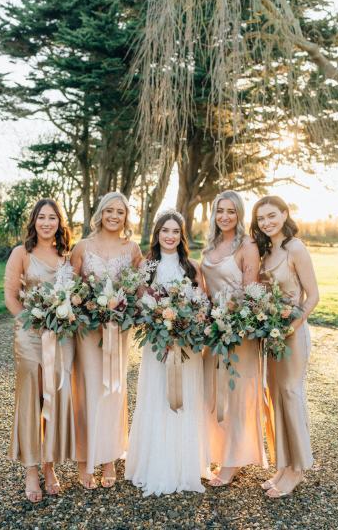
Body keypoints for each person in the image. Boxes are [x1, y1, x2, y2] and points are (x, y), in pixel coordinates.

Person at [125, 210, 212, 496]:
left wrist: (186, 320)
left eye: (176, 231)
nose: (170, 236)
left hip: (186, 347)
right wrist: (158, 318)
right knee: (157, 396)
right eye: (165, 230)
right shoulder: (147, 266)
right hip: (157, 345)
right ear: (157, 233)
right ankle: (156, 465)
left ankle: (184, 466)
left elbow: (204, 303)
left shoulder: (192, 267)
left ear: (181, 236)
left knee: (184, 398)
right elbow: (139, 304)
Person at [4, 198, 75, 502]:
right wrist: (31, 321)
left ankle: (49, 467)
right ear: (33, 221)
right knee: (31, 399)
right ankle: (31, 470)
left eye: (52, 218)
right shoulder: (21, 253)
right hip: (30, 338)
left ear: (60, 223)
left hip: (59, 338)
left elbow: (74, 295)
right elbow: (10, 295)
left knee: (54, 398)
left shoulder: (65, 256)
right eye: (41, 217)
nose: (47, 223)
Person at [71, 191, 142, 489]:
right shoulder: (82, 247)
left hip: (117, 330)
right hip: (88, 331)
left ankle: (110, 456)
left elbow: (138, 292)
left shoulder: (133, 248)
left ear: (126, 217)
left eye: (120, 212)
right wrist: (87, 306)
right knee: (88, 389)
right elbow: (69, 287)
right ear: (100, 213)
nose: (115, 216)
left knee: (113, 388)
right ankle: (86, 458)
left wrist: (126, 311)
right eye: (109, 210)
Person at [250, 195, 319, 498]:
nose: (266, 222)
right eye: (261, 218)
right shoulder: (267, 251)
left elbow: (313, 296)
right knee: (274, 394)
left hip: (292, 334)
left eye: (271, 216)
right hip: (272, 335)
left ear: (284, 214)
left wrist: (290, 327)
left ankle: (298, 468)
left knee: (290, 394)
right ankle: (284, 465)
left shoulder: (296, 248)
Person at [201, 190, 267, 487]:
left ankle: (233, 461)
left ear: (239, 214)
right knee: (214, 394)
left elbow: (250, 289)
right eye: (219, 211)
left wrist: (231, 317)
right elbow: (205, 291)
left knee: (237, 397)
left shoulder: (247, 245)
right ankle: (219, 451)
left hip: (238, 331)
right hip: (213, 332)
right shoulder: (211, 246)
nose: (225, 216)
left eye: (230, 211)